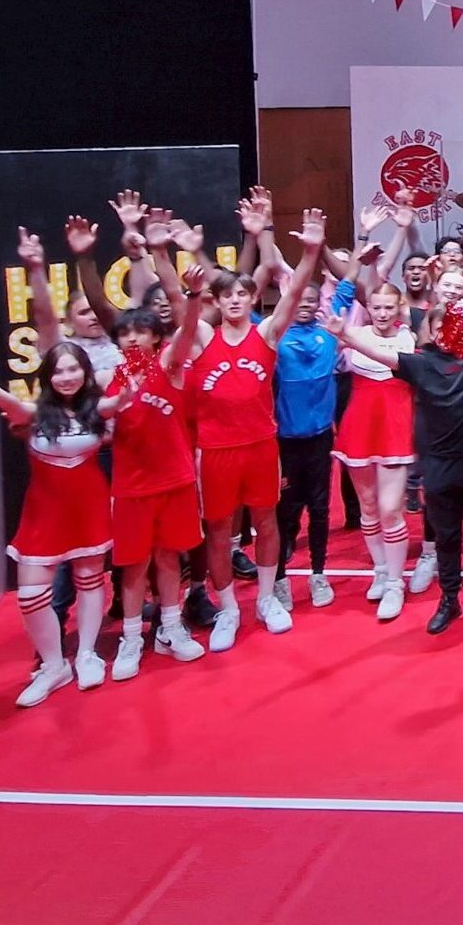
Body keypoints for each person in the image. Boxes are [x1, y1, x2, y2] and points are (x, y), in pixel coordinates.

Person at [0, 340, 128, 707]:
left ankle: (86, 654)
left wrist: (138, 377)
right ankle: (53, 665)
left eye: (73, 369)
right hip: (43, 512)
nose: (67, 377)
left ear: (86, 373)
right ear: (48, 377)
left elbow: (120, 400)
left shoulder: (97, 409)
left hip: (89, 506)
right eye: (59, 371)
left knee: (90, 580)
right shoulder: (33, 414)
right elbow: (10, 404)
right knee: (31, 595)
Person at [187, 205, 326, 652]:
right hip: (215, 450)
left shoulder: (266, 335)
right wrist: (184, 285)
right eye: (225, 295)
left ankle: (266, 599)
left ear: (251, 299)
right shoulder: (204, 338)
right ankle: (228, 607)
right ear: (217, 301)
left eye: (241, 294)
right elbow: (177, 306)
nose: (233, 300)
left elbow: (295, 291)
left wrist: (310, 252)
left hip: (262, 446)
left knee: (267, 523)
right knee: (219, 530)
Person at [333, 282, 463, 636]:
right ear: (428, 330)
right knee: (446, 536)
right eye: (439, 326)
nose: (446, 333)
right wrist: (347, 336)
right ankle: (450, 599)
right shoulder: (420, 363)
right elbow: (381, 355)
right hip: (440, 462)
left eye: (453, 327)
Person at [102, 265, 209, 680]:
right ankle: (131, 638)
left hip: (176, 481)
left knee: (168, 558)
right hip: (131, 487)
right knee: (133, 565)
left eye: (139, 332)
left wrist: (194, 297)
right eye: (124, 333)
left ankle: (169, 627)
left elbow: (185, 336)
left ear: (155, 337)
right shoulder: (109, 379)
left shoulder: (170, 367)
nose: (131, 338)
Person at [332, 279, 417, 620]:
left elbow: (396, 363)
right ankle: (381, 569)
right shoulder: (355, 334)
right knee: (367, 506)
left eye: (389, 307)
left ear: (399, 309)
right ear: (369, 308)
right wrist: (343, 339)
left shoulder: (408, 338)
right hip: (359, 426)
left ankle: (396, 583)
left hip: (396, 427)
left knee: (390, 508)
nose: (382, 313)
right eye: (377, 307)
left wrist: (348, 339)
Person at [272, 278, 341, 614]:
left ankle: (318, 574)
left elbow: (350, 285)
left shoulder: (328, 331)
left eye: (311, 299)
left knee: (320, 509)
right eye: (298, 298)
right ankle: (280, 580)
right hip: (284, 441)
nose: (305, 304)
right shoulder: (272, 336)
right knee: (284, 512)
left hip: (320, 439)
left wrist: (366, 234)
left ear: (318, 303)